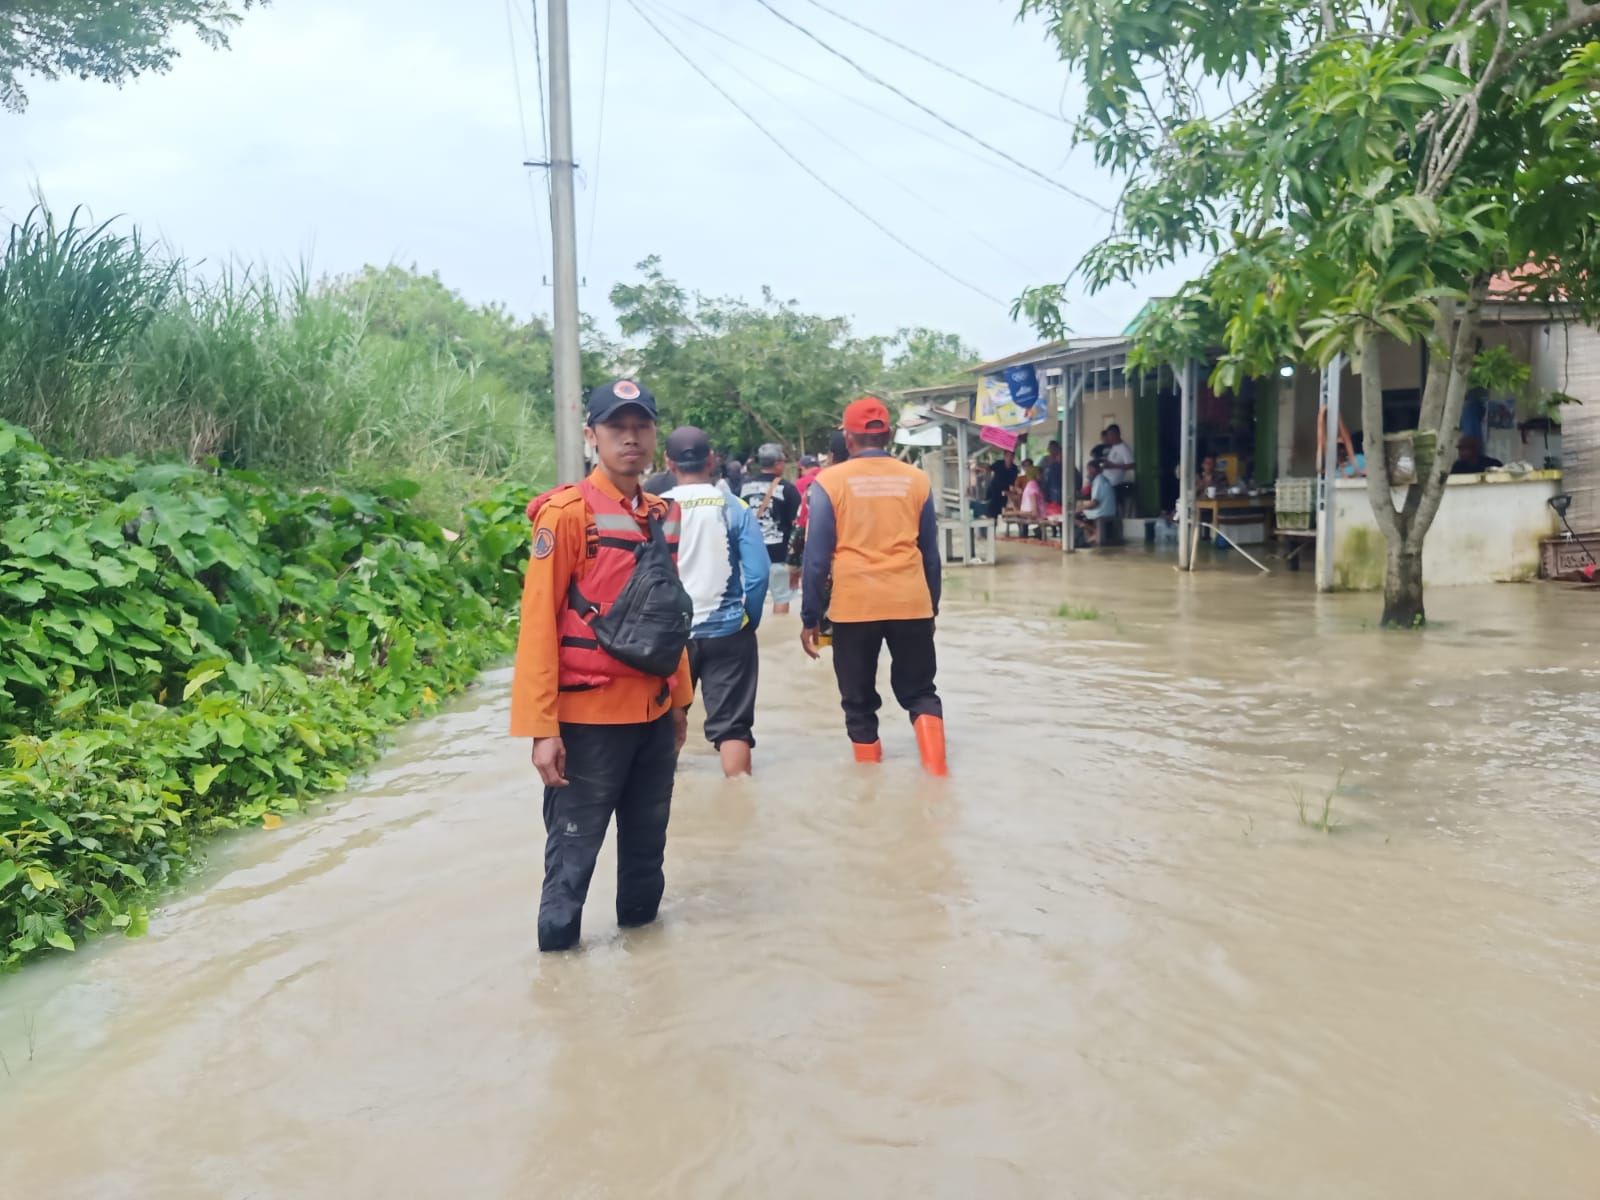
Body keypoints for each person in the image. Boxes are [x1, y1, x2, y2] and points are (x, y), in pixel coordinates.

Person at [511, 379, 695, 953]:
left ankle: (647, 978)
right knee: (571, 866)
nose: (630, 438)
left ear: (655, 436)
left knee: (646, 861)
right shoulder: (566, 515)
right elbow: (538, 625)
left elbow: (669, 616)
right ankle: (558, 977)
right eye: (617, 427)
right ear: (592, 436)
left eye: (642, 426)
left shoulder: (663, 515)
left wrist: (680, 703)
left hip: (653, 719)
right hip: (587, 724)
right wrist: (542, 729)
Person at [800, 396, 946, 776]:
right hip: (911, 601)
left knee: (858, 701)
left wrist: (810, 616)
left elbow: (816, 560)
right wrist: (931, 607)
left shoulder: (828, 482)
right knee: (921, 692)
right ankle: (937, 776)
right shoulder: (917, 480)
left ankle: (868, 788)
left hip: (854, 606)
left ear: (848, 439)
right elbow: (931, 554)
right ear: (889, 435)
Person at [660, 426, 768, 777]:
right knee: (732, 727)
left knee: (668, 717)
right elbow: (758, 574)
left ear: (668, 462)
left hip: (671, 636)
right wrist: (748, 619)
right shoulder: (734, 507)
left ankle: (666, 796)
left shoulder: (655, 510)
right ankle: (739, 797)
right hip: (728, 630)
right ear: (711, 459)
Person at [740, 443, 802, 615]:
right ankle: (779, 628)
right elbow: (797, 525)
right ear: (777, 463)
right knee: (781, 598)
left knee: (747, 597)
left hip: (750, 552)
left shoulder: (744, 487)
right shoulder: (787, 489)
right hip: (779, 554)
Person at [1075, 459, 1117, 547]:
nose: (1088, 473)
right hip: (1110, 510)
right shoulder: (1104, 479)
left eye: (1089, 470)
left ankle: (1095, 531)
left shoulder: (1098, 481)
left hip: (1102, 511)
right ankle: (1093, 533)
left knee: (1073, 516)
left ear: (1093, 469)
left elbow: (1094, 503)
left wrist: (1079, 508)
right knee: (1082, 512)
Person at [1101, 423, 1136, 513]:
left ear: (1118, 434)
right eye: (1108, 435)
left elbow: (1132, 465)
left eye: (1111, 435)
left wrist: (1112, 466)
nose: (1109, 437)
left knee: (1113, 510)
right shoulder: (1114, 446)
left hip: (1116, 485)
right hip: (1107, 483)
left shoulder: (1124, 448)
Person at [985, 449, 1019, 518]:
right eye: (1008, 455)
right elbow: (989, 469)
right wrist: (977, 467)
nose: (1009, 458)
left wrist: (1012, 492)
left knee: (1002, 508)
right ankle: (991, 518)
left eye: (1011, 456)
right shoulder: (999, 463)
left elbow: (1013, 482)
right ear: (1004, 456)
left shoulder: (1014, 468)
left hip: (1004, 491)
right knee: (992, 507)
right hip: (994, 489)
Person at [1043, 440, 1065, 516]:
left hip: (1058, 489)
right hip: (1048, 488)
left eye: (1053, 448)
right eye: (1050, 448)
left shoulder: (1062, 462)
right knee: (1050, 507)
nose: (1051, 450)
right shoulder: (1045, 460)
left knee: (1057, 508)